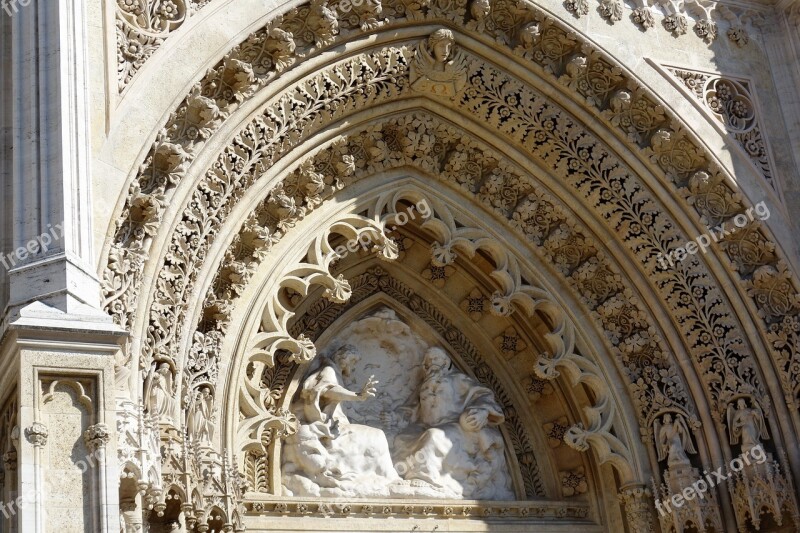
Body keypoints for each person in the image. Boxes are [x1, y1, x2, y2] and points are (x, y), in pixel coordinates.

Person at [392, 347, 514, 499]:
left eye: (437, 359)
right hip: (423, 427)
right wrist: (394, 418)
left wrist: (482, 411)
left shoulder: (457, 380)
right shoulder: (423, 386)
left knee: (434, 437)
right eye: (429, 360)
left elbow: (482, 395)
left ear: (446, 363)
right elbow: (411, 409)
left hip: (458, 429)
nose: (433, 362)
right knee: (400, 440)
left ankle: (425, 478)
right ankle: (398, 472)